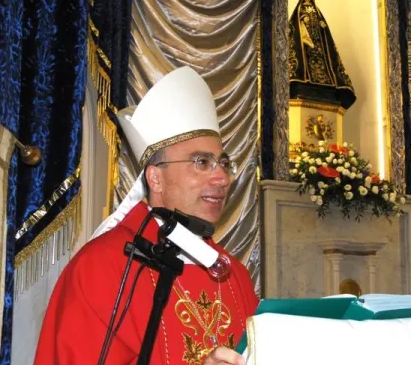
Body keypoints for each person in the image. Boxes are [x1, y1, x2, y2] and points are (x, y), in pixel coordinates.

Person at [34, 67, 259, 365]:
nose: (222, 179)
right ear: (155, 179)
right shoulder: (101, 268)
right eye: (202, 162)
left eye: (224, 163)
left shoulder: (235, 276)